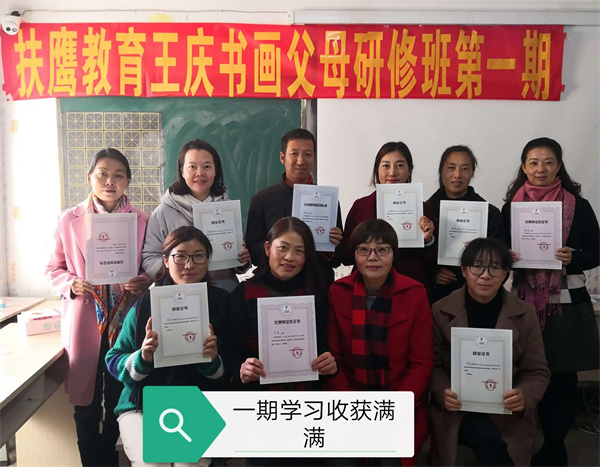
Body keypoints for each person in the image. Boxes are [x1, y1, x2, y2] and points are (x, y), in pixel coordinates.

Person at [46, 148, 150, 466]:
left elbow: (151, 266)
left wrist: (143, 280)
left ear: (127, 181)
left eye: (118, 175)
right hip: (85, 321)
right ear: (89, 178)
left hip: (125, 321)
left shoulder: (142, 221)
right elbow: (53, 269)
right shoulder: (68, 220)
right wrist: (71, 283)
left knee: (120, 398)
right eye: (102, 174)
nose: (110, 181)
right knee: (86, 405)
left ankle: (110, 459)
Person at [502, 137, 600, 466]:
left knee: (562, 377)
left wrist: (574, 257)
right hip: (524, 303)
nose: (540, 168)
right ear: (524, 167)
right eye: (533, 162)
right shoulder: (511, 207)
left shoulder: (578, 205)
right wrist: (506, 255)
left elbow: (596, 251)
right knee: (526, 374)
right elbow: (498, 250)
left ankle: (556, 445)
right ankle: (525, 442)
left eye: (548, 162)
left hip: (567, 304)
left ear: (558, 166)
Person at [106, 226, 229, 467]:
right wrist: (142, 358)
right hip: (142, 403)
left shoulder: (221, 304)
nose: (189, 264)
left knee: (189, 463)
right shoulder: (146, 304)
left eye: (198, 256)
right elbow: (113, 359)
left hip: (197, 399)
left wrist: (211, 360)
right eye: (180, 256)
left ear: (208, 260)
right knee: (153, 462)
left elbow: (228, 370)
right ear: (165, 260)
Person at [429, 238, 550, 466]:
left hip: (505, 406)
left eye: (495, 268)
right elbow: (434, 366)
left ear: (505, 274)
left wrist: (524, 395)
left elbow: (537, 371)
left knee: (493, 440)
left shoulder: (525, 313)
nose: (485, 275)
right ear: (464, 270)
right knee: (487, 438)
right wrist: (443, 391)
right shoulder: (440, 310)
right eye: (477, 267)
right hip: (458, 406)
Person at [328, 218, 433, 467]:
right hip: (349, 406)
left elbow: (421, 364)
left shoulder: (415, 293)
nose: (372, 257)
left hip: (400, 406)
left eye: (382, 249)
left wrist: (393, 410)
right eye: (364, 249)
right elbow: (334, 361)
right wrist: (354, 409)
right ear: (354, 254)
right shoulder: (338, 292)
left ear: (393, 254)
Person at [142, 139, 250, 292]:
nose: (200, 173)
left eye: (207, 167)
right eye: (192, 167)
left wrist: (243, 260)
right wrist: (177, 270)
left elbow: (242, 255)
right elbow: (149, 257)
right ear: (182, 171)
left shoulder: (229, 210)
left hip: (225, 292)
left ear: (216, 171)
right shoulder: (164, 212)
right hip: (179, 294)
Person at [245, 128, 343, 287]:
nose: (301, 161)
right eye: (294, 154)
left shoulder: (328, 200)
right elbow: (254, 253)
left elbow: (336, 260)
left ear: (314, 158)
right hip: (273, 287)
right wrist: (280, 248)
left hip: (317, 286)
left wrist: (334, 243)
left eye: (307, 154)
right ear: (282, 158)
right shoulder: (261, 200)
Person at [339, 141, 436, 299]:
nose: (392, 172)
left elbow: (433, 263)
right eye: (386, 166)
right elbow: (346, 256)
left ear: (409, 170)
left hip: (409, 288)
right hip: (366, 287)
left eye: (400, 165)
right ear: (377, 170)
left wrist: (428, 240)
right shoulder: (361, 206)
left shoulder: (423, 208)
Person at [427, 145, 505, 301]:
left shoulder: (490, 213)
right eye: (451, 168)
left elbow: (500, 260)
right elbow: (413, 259)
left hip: (479, 296)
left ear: (472, 173)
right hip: (434, 295)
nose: (457, 175)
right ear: (441, 171)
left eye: (465, 169)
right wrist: (431, 273)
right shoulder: (425, 212)